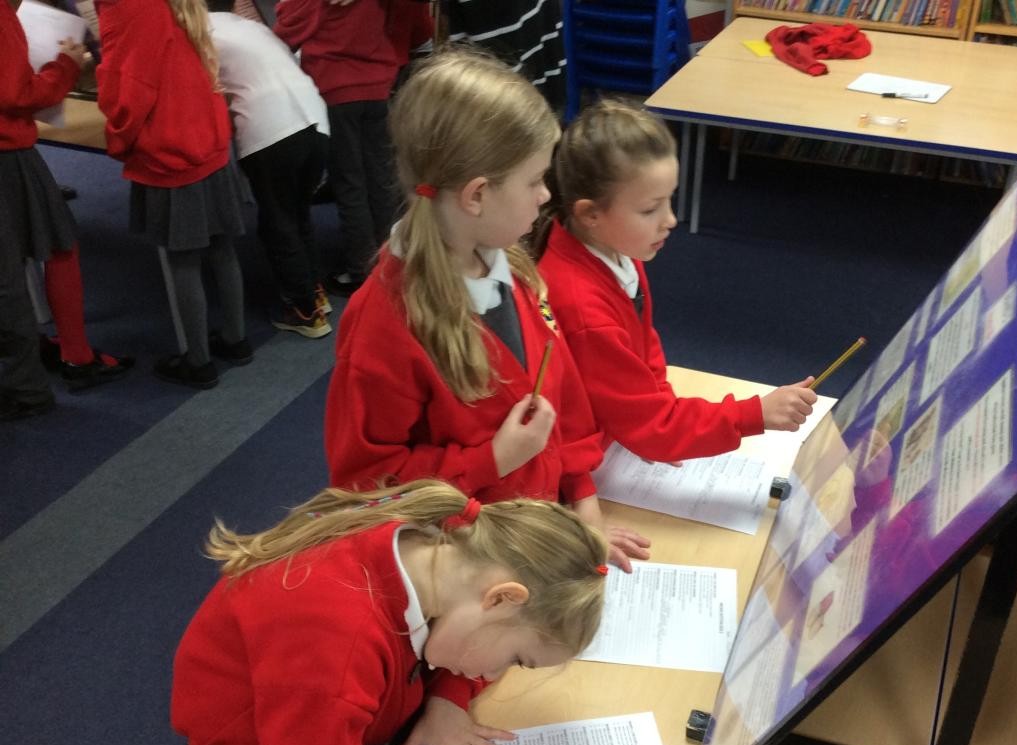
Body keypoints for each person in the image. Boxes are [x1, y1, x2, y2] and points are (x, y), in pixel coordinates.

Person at [171, 479, 608, 745]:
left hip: (342, 718)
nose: (494, 673)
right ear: (501, 598)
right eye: (516, 658)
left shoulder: (434, 549)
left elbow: (454, 640)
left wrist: (448, 699)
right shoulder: (335, 646)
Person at [324, 48, 650, 572]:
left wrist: (583, 504)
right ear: (476, 195)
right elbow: (368, 487)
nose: (546, 195)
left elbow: (558, 401)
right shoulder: (385, 326)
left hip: (533, 535)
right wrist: (493, 460)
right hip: (465, 567)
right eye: (535, 181)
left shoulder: (512, 267)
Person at [534, 99, 817, 464]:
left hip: (616, 435)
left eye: (669, 200)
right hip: (582, 463)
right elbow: (650, 425)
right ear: (590, 214)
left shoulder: (617, 249)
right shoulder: (582, 307)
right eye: (650, 209)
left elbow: (642, 345)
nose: (670, 220)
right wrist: (753, 414)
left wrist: (667, 421)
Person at [95, 0, 249, 389]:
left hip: (172, 147)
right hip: (208, 137)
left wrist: (118, 139)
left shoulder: (130, 8)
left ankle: (198, 362)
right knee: (222, 247)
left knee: (183, 260)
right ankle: (236, 340)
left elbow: (130, 90)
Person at [1, 0, 133, 421]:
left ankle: (54, 359)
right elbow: (17, 94)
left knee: (44, 249)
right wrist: (65, 67)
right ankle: (37, 381)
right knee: (39, 257)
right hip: (7, 156)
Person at [274, 0, 433, 296]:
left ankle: (362, 270)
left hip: (335, 90)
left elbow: (287, 28)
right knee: (382, 178)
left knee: (349, 183)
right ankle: (391, 259)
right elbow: (416, 23)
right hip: (379, 85)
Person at [208, 0, 332, 338]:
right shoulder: (251, 27)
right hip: (314, 118)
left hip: (270, 129)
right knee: (298, 213)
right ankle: (315, 292)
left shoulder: (201, 34)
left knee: (278, 222)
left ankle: (304, 311)